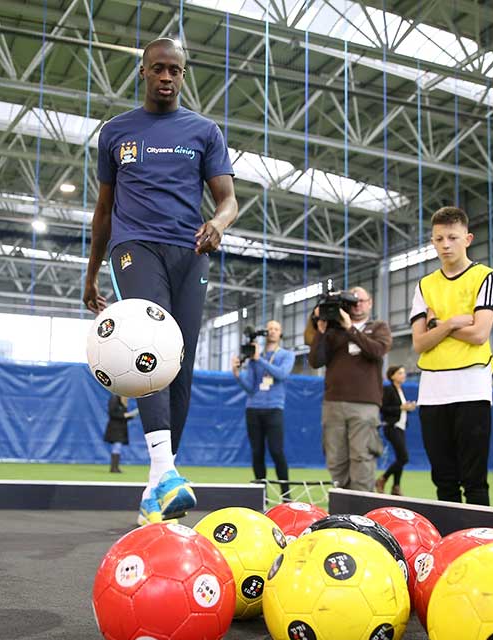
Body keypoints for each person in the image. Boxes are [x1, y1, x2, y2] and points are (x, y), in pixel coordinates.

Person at [82, 37, 238, 526]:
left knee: (180, 366)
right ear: (143, 72)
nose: (167, 77)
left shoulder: (204, 131)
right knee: (150, 346)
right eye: (159, 69)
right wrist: (91, 274)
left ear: (183, 75)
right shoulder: (116, 133)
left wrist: (219, 224)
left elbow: (228, 200)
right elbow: (104, 211)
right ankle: (166, 472)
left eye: (175, 70)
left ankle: (158, 485)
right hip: (135, 246)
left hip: (190, 251)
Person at [410, 206, 493, 506]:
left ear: (468, 238)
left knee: (474, 480)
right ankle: (448, 545)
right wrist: (449, 323)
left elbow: (479, 334)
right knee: (443, 480)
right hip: (433, 390)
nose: (445, 244)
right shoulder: (425, 286)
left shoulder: (485, 277)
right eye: (438, 239)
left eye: (452, 237)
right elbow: (420, 343)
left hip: (472, 386)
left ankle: (479, 545)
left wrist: (436, 323)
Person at [307, 286, 392, 492]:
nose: (357, 305)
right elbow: (315, 361)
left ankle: (362, 509)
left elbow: (377, 351)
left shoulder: (378, 327)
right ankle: (342, 503)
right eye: (353, 301)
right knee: (335, 457)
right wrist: (320, 332)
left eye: (361, 300)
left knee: (362, 455)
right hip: (333, 402)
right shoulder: (332, 330)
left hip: (364, 403)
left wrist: (350, 329)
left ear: (370, 302)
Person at [231, 320, 295, 500]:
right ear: (265, 333)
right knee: (256, 452)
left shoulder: (286, 355)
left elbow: (281, 374)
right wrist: (237, 375)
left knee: (276, 451)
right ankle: (261, 495)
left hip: (274, 408)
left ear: (280, 333)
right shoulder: (254, 357)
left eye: (276, 328)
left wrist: (261, 360)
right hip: (253, 408)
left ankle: (286, 496)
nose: (272, 332)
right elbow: (251, 388)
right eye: (269, 329)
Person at [375, 365, 417, 496]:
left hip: (401, 426)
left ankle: (396, 486)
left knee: (400, 458)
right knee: (404, 457)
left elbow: (400, 408)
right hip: (392, 427)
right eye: (400, 373)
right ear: (392, 375)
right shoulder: (388, 389)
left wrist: (408, 408)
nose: (403, 375)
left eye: (404, 373)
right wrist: (401, 407)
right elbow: (383, 408)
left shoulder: (400, 390)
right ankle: (383, 479)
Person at [104, 395, 137, 473]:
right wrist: (125, 415)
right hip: (114, 429)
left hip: (121, 429)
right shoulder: (114, 399)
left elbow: (124, 416)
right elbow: (112, 413)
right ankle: (114, 468)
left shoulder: (123, 401)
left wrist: (131, 415)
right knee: (117, 447)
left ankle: (115, 467)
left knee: (117, 447)